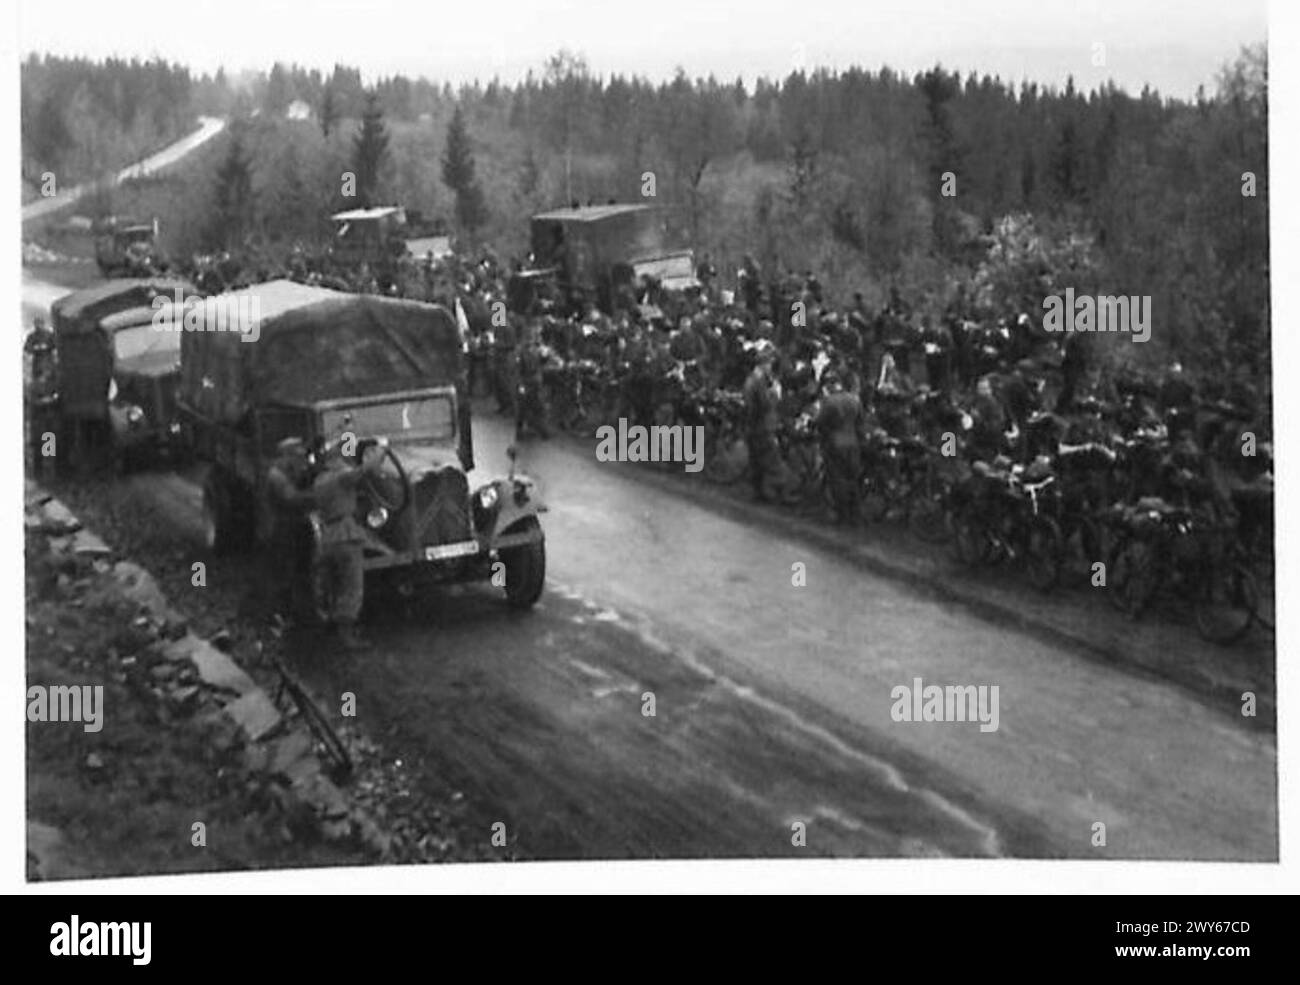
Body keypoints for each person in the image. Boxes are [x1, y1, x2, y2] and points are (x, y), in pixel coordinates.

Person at [309, 436, 387, 650]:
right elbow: (367, 469)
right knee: (352, 587)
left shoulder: (320, 481)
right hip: (346, 535)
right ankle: (347, 637)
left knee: (333, 582)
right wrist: (382, 448)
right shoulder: (341, 477)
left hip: (328, 537)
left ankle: (329, 624)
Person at [265, 437, 317, 620]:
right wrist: (318, 495)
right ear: (287, 456)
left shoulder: (290, 470)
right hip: (283, 528)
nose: (301, 459)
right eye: (297, 455)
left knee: (303, 569)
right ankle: (283, 614)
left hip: (297, 526)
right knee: (285, 572)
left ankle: (303, 610)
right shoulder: (276, 475)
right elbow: (292, 498)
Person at [816, 370, 865, 524]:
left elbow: (821, 422)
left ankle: (842, 515)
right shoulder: (855, 400)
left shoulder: (829, 401)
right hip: (853, 443)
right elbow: (860, 423)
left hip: (835, 443)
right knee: (853, 479)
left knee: (837, 480)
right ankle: (856, 514)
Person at [743, 344, 783, 502]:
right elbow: (764, 404)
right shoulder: (759, 382)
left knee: (756, 461)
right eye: (768, 364)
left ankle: (758, 493)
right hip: (762, 425)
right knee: (772, 461)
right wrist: (774, 393)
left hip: (753, 425)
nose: (770, 368)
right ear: (763, 364)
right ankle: (780, 492)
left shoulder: (751, 380)